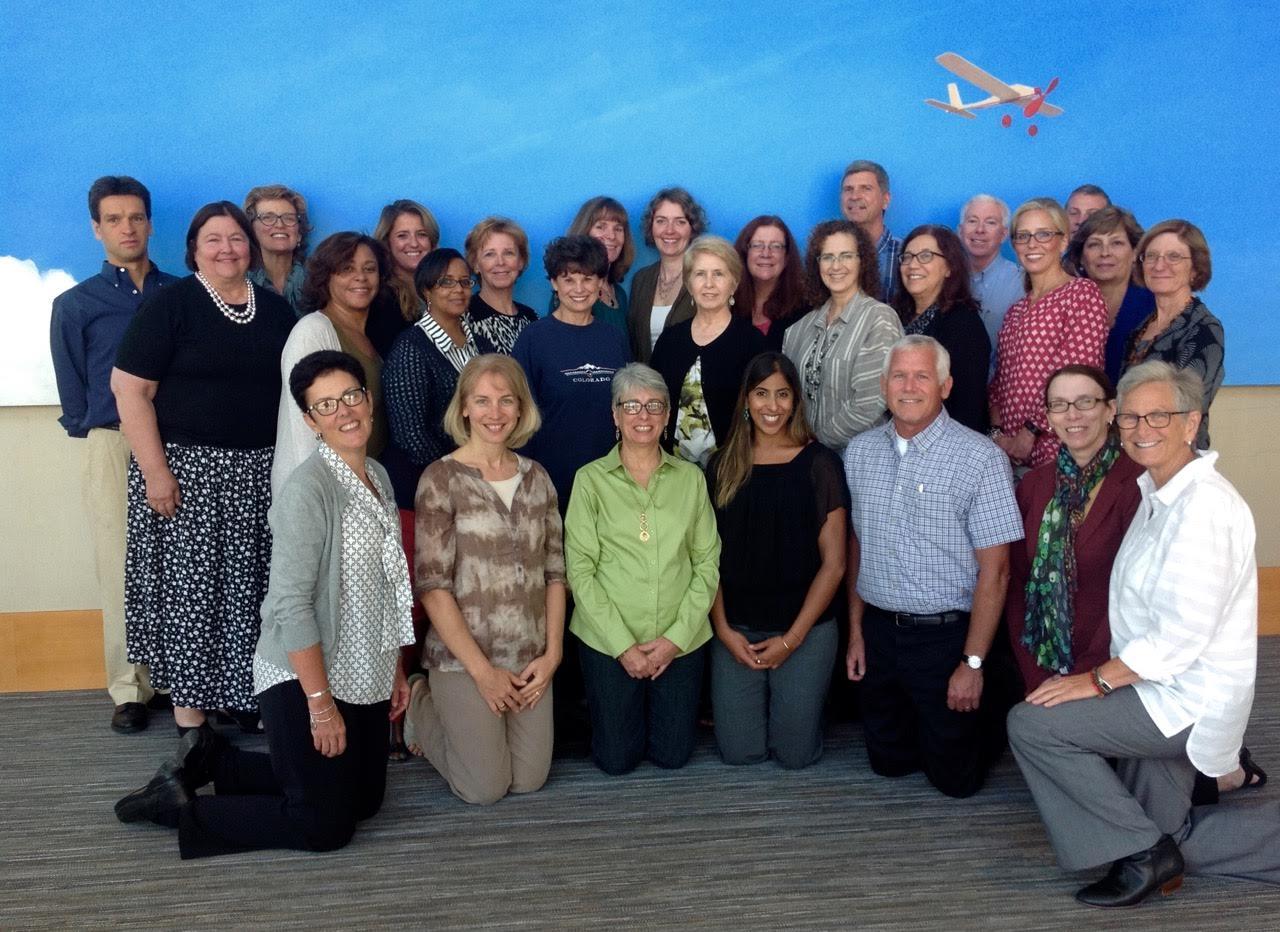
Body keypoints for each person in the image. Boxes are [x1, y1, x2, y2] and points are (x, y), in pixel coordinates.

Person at [114, 350, 414, 858]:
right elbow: (291, 606)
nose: (344, 411)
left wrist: (397, 667)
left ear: (368, 399)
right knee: (324, 827)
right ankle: (179, 807)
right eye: (325, 405)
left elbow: (385, 584)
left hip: (363, 669)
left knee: (365, 801)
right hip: (303, 674)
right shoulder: (308, 491)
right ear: (309, 421)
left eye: (351, 396)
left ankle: (219, 762)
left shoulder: (379, 477)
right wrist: (320, 708)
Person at [1008, 360, 1269, 908]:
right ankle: (1155, 851)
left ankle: (1144, 856)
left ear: (1191, 423)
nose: (1141, 428)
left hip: (1184, 699)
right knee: (1164, 833)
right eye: (1130, 418)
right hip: (1159, 686)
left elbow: (1179, 637)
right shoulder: (1161, 493)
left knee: (1033, 726)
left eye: (1158, 416)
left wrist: (1096, 682)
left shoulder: (1204, 509)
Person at [110, 201, 294, 736]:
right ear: (194, 249)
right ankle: (190, 712)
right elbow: (130, 390)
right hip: (188, 472)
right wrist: (157, 473)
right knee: (194, 595)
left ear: (251, 247)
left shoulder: (275, 309)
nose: (227, 249)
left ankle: (241, 695)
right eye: (213, 240)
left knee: (249, 590)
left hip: (259, 473)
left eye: (236, 239)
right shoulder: (171, 306)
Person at [844, 335, 1023, 798]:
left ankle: (995, 705)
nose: (909, 386)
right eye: (899, 375)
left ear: (945, 386)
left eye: (921, 375)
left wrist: (973, 662)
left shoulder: (981, 459)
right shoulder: (859, 453)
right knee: (888, 764)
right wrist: (857, 633)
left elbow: (997, 571)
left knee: (954, 781)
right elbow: (858, 545)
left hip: (946, 638)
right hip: (882, 633)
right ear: (883, 385)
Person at [403, 355, 565, 804]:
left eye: (506, 401)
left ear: (520, 409)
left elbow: (555, 574)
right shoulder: (440, 478)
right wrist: (482, 673)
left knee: (529, 778)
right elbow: (433, 586)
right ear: (465, 409)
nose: (495, 413)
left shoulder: (539, 478)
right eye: (483, 401)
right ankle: (420, 699)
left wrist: (552, 655)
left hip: (528, 656)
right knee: (484, 789)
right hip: (463, 659)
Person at [49, 175, 179, 734]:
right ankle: (129, 688)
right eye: (114, 219)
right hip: (112, 442)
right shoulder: (75, 304)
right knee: (119, 565)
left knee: (179, 563)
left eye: (136, 217)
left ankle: (179, 681)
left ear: (150, 223)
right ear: (97, 228)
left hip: (180, 441)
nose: (127, 228)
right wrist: (103, 431)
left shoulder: (179, 294)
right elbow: (73, 386)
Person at [564, 364, 720, 774]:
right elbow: (580, 571)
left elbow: (706, 562)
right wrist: (623, 646)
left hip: (679, 638)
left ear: (668, 415)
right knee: (616, 760)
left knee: (672, 756)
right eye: (631, 405)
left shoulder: (691, 480)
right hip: (609, 641)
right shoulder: (590, 480)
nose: (643, 415)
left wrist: (675, 639)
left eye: (654, 405)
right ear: (614, 415)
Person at [707, 352, 847, 768]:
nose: (772, 406)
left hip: (805, 628)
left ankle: (803, 705)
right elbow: (705, 559)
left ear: (796, 401)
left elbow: (835, 564)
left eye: (783, 395)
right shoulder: (721, 465)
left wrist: (792, 640)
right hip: (737, 630)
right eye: (762, 394)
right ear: (746, 400)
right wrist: (723, 630)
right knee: (739, 751)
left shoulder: (820, 464)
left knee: (794, 754)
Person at [1005, 365, 1142, 693]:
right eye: (1060, 405)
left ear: (1110, 409)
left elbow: (1135, 596)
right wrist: (1034, 673)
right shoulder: (1034, 485)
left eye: (1085, 402)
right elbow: (1017, 583)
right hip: (1038, 662)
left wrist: (1083, 676)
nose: (1072, 415)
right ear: (1049, 417)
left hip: (1113, 666)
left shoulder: (1138, 484)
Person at [512, 235, 630, 515]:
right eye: (568, 279)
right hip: (550, 480)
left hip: (609, 479)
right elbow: (518, 414)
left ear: (601, 282)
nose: (579, 288)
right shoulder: (533, 339)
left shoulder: (613, 337)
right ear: (554, 283)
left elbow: (627, 407)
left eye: (588, 279)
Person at [989, 198, 1108, 469]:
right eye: (1023, 236)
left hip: (1061, 449)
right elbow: (999, 383)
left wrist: (1030, 431)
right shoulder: (1016, 311)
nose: (1032, 244)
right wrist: (998, 436)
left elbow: (1078, 374)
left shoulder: (1081, 295)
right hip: (1010, 454)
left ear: (1063, 241)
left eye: (1043, 234)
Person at [271, 232, 391, 498]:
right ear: (326, 277)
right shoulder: (313, 331)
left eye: (369, 269)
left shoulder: (369, 336)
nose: (360, 277)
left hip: (363, 484)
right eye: (347, 269)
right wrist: (321, 494)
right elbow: (303, 424)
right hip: (325, 493)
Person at [381, 248, 494, 514]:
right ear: (426, 290)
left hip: (480, 483)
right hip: (427, 490)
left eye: (465, 281)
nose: (459, 289)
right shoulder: (410, 348)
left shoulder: (481, 345)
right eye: (446, 282)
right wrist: (466, 473)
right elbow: (412, 438)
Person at [782, 219, 903, 453]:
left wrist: (816, 442)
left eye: (846, 256)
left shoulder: (879, 319)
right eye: (827, 257)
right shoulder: (797, 331)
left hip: (861, 462)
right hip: (806, 463)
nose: (836, 266)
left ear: (862, 261)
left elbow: (870, 402)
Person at [651, 235, 766, 467]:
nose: (709, 284)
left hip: (733, 472)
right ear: (689, 283)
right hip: (672, 474)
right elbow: (653, 400)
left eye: (719, 274)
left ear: (733, 283)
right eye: (700, 274)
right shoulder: (670, 340)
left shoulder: (752, 342)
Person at [1124, 219, 1224, 450]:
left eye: (1174, 257)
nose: (1160, 265)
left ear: (1196, 268)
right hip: (1136, 455)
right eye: (1151, 256)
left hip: (1176, 459)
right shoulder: (1142, 329)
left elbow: (1185, 407)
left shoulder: (1204, 329)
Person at [890, 224, 991, 433]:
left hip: (947, 448)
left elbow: (968, 408)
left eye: (925, 256)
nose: (913, 265)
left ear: (949, 267)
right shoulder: (894, 317)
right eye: (907, 257)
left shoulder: (964, 324)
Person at [1065, 207, 1155, 384]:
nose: (1105, 253)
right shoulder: (1063, 301)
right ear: (1081, 256)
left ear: (1135, 252)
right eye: (1094, 244)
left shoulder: (1154, 304)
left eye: (1116, 243)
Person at [627, 187, 705, 363]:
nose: (669, 230)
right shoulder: (641, 279)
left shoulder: (704, 279)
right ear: (651, 227)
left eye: (680, 222)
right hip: (646, 387)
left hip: (690, 388)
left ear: (692, 228)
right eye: (661, 221)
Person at [958, 194, 1023, 362]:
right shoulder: (944, 278)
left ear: (1003, 234)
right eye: (972, 221)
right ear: (960, 230)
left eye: (990, 222)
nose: (980, 229)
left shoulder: (1022, 283)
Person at [731, 215, 807, 350]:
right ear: (745, 252)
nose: (766, 253)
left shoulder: (805, 308)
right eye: (757, 245)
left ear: (787, 256)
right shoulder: (727, 302)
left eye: (776, 246)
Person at [465, 216, 538, 355]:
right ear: (475, 264)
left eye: (508, 253)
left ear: (521, 261)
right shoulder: (466, 318)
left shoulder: (531, 317)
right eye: (489, 254)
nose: (500, 262)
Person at [563, 195, 634, 334]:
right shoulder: (574, 291)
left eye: (618, 229)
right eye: (601, 227)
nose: (611, 236)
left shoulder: (619, 294)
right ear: (584, 232)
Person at [839, 159, 901, 303]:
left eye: (866, 188)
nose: (854, 196)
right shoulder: (825, 255)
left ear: (886, 200)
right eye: (848, 189)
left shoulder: (905, 255)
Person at [243, 184, 310, 315]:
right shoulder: (239, 282)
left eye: (289, 218)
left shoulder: (317, 282)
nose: (280, 225)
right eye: (268, 218)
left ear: (299, 233)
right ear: (251, 230)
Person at [373, 199, 440, 324]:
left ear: (432, 241)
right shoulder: (382, 299)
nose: (414, 244)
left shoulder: (444, 289)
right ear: (387, 242)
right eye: (402, 235)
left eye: (422, 234)